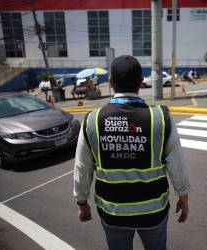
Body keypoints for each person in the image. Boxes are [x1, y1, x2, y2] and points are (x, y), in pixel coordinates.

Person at [73, 55, 190, 250]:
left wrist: (82, 202)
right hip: (153, 212)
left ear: (111, 83)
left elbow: (82, 168)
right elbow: (177, 165)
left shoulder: (92, 120)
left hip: (113, 212)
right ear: (140, 82)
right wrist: (183, 198)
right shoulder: (161, 118)